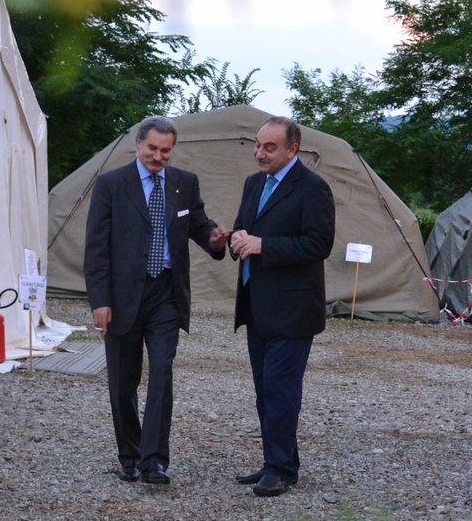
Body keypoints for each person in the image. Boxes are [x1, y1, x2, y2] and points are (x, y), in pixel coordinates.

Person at [83, 116, 228, 485]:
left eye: (165, 151)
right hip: (122, 296)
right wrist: (99, 300)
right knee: (123, 381)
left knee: (162, 370)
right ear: (138, 144)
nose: (158, 156)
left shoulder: (184, 183)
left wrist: (214, 239)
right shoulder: (111, 185)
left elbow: (199, 224)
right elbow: (96, 249)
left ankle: (154, 461)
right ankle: (129, 455)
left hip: (166, 293)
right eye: (152, 148)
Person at [229, 117, 336, 497]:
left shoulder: (312, 188)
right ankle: (278, 463)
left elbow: (318, 244)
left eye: (269, 147)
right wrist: (237, 238)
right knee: (264, 390)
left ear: (293, 149)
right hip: (256, 305)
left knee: (280, 389)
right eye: (258, 145)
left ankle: (279, 468)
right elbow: (244, 229)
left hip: (293, 310)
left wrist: (264, 246)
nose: (260, 153)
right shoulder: (253, 183)